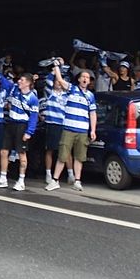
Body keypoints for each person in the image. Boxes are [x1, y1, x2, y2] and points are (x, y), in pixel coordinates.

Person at [46, 64, 96, 192]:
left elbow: (92, 113)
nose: (85, 79)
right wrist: (57, 67)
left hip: (83, 130)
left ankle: (77, 181)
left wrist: (93, 130)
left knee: (79, 157)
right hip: (69, 128)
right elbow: (61, 81)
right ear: (79, 79)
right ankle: (55, 180)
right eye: (83, 76)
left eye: (87, 77)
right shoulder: (72, 89)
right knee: (62, 155)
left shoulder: (90, 96)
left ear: (89, 81)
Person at [0, 71, 38, 191]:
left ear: (28, 83)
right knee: (4, 151)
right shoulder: (15, 89)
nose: (19, 82)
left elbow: (34, 116)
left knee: (22, 154)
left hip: (22, 125)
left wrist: (29, 132)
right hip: (11, 123)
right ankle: (3, 178)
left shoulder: (33, 98)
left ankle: (21, 180)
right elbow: (4, 81)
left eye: (22, 80)